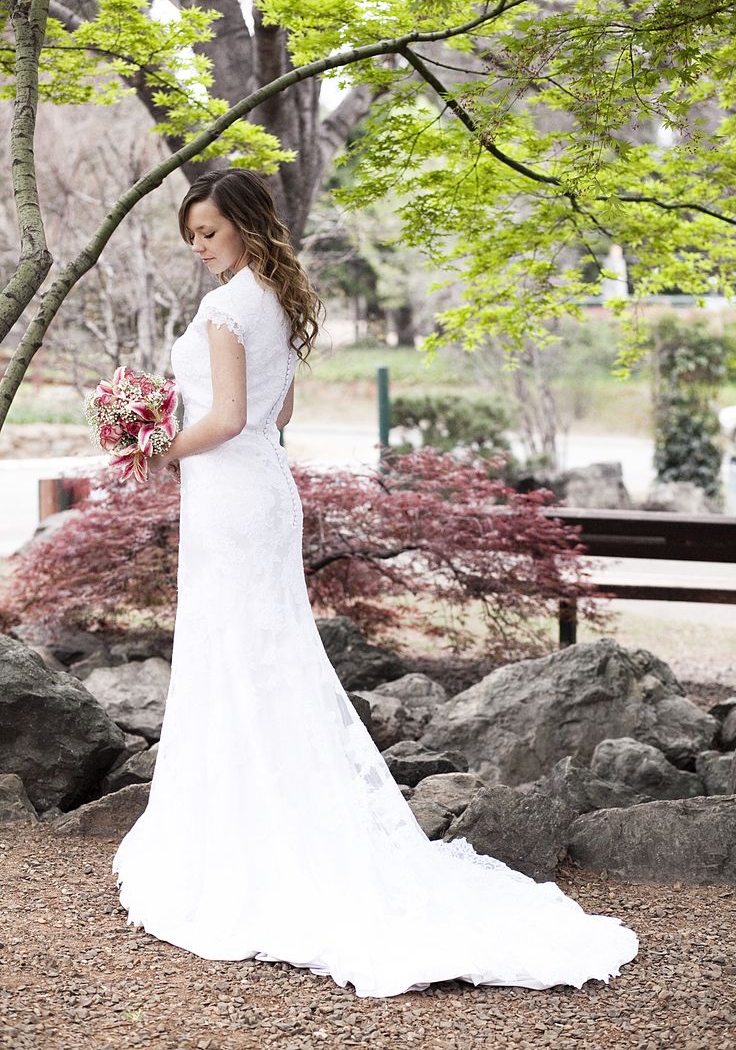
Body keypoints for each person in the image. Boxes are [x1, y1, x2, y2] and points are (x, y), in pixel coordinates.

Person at [111, 168, 638, 999]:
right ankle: (271, 822)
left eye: (209, 231)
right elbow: (276, 420)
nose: (199, 247)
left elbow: (223, 419)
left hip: (228, 496)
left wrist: (152, 449)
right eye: (192, 237)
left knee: (235, 655)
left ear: (245, 225)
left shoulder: (224, 309)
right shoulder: (280, 302)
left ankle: (241, 840)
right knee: (265, 655)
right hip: (262, 493)